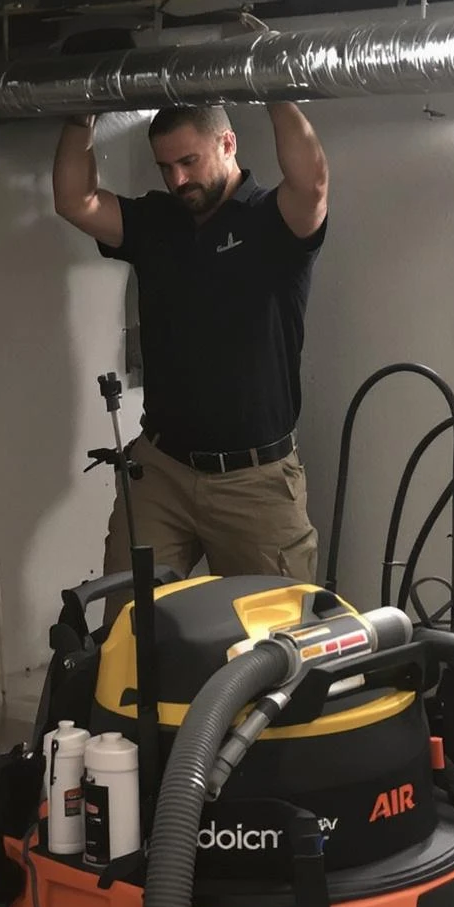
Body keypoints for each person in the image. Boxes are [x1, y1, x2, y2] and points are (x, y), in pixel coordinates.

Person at [52, 101, 329, 582]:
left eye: (188, 161)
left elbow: (312, 185)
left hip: (254, 481)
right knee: (132, 619)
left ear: (228, 144)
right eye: (166, 167)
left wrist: (275, 92)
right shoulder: (158, 221)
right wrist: (81, 116)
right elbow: (76, 200)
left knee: (272, 625)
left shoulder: (272, 219)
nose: (177, 180)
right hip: (162, 471)